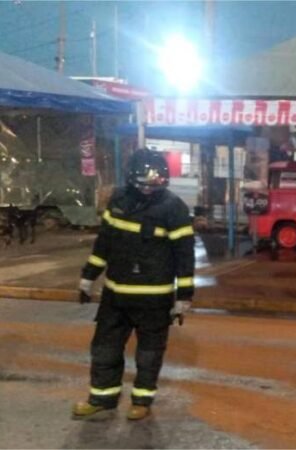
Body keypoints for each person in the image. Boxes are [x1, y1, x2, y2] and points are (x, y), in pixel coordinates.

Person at [72, 148, 195, 420]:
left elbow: (184, 256)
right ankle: (102, 398)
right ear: (131, 179)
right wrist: (88, 276)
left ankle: (141, 401)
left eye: (156, 184)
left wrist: (184, 296)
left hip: (154, 299)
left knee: (149, 354)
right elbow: (104, 244)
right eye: (144, 184)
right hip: (115, 296)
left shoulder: (174, 208)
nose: (149, 189)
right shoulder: (118, 201)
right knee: (104, 349)